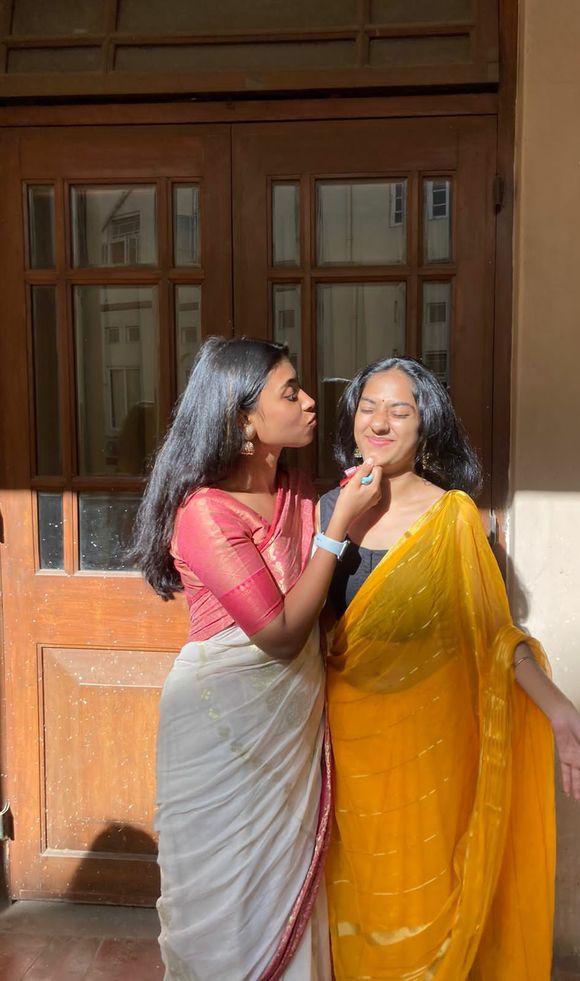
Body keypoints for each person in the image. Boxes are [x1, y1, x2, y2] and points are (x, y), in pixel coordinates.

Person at [318, 357, 580, 981]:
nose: (381, 422)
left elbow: (494, 635)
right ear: (352, 415)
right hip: (344, 737)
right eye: (369, 405)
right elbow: (300, 625)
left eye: (401, 410)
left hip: (429, 742)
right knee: (355, 889)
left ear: (426, 427)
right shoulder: (326, 510)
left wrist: (557, 709)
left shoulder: (452, 517)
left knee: (425, 886)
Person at [129, 336, 380, 980]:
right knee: (227, 890)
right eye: (288, 392)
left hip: (287, 725)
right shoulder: (204, 513)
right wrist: (338, 526)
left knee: (285, 877)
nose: (307, 402)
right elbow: (279, 634)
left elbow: (322, 600)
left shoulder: (298, 493)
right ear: (244, 419)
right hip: (221, 727)